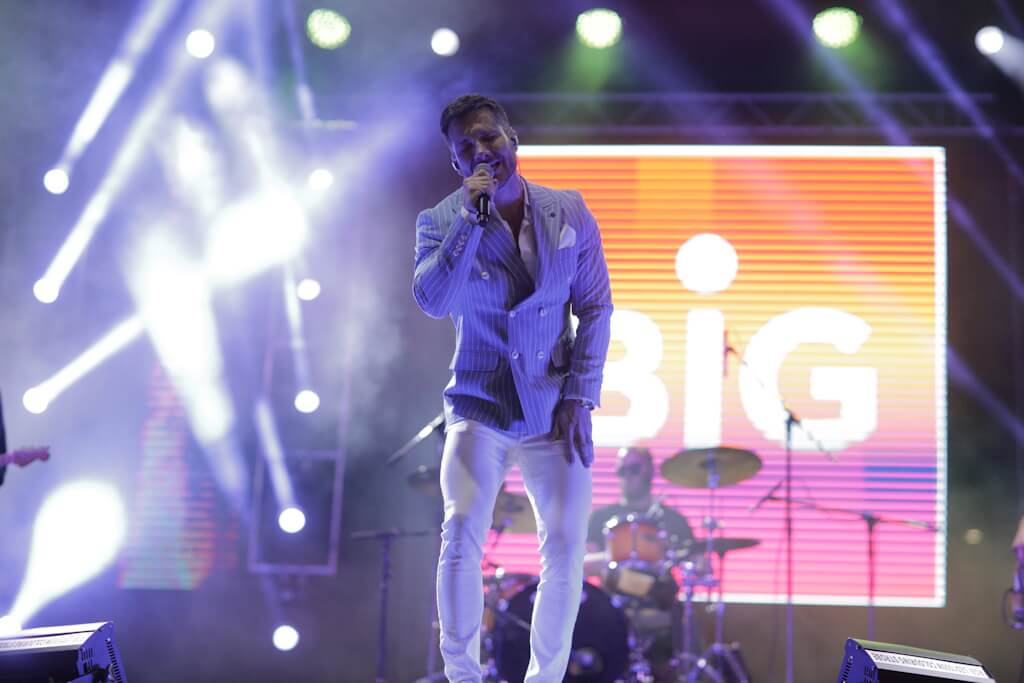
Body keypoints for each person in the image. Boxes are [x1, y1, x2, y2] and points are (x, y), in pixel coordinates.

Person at [413, 93, 613, 682]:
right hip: (480, 402)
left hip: (553, 405)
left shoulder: (567, 210)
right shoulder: (440, 222)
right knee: (461, 530)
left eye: (489, 137)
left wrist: (579, 396)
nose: (482, 151)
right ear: (456, 163)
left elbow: (596, 308)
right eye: (467, 147)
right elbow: (432, 300)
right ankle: (463, 677)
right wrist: (469, 223)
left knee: (566, 548)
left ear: (513, 140)